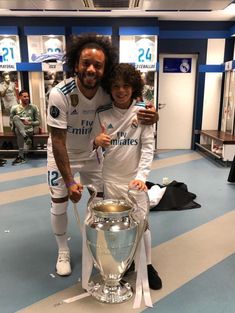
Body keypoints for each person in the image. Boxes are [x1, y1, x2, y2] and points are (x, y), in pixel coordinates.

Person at [47, 33, 158, 277]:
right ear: (75, 63)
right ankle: (63, 250)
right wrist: (69, 181)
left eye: (98, 65)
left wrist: (153, 114)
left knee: (100, 202)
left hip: (93, 154)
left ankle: (103, 249)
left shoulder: (107, 91)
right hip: (62, 152)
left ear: (104, 69)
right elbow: (57, 140)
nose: (91, 69)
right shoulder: (60, 93)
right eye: (85, 62)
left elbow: (132, 102)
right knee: (60, 203)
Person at [91, 63, 162, 290]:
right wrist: (96, 142)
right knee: (117, 226)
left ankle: (148, 265)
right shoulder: (102, 113)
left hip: (135, 181)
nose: (121, 91)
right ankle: (124, 263)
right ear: (109, 89)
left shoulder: (144, 111)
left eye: (125, 86)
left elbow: (148, 147)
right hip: (110, 180)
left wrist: (142, 177)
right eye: (115, 86)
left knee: (143, 224)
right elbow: (91, 145)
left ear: (134, 87)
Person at [10, 90, 40, 165]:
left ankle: (21, 156)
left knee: (19, 131)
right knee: (16, 118)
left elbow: (38, 122)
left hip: (29, 129)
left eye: (27, 96)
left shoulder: (33, 107)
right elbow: (11, 121)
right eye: (24, 96)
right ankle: (25, 137)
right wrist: (13, 128)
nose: (27, 98)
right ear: (20, 97)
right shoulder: (14, 108)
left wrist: (29, 122)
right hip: (20, 130)